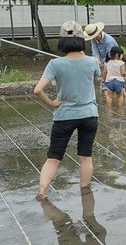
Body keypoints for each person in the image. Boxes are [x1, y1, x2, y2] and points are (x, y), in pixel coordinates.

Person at [35, 21, 101, 199]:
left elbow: (37, 90)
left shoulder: (55, 64)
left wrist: (52, 103)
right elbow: (96, 80)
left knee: (54, 158)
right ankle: (85, 193)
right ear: (82, 40)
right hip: (89, 115)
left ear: (62, 41)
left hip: (64, 116)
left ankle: (42, 192)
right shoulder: (92, 62)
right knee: (85, 157)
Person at [84, 22, 118, 92]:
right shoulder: (93, 40)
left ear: (99, 33)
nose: (94, 38)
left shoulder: (109, 41)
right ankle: (94, 84)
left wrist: (103, 64)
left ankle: (107, 83)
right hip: (103, 57)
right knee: (96, 64)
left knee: (106, 69)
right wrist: (98, 62)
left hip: (113, 57)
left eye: (95, 36)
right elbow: (95, 52)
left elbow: (109, 55)